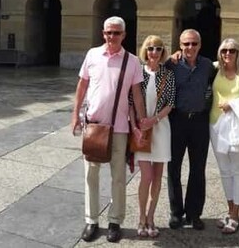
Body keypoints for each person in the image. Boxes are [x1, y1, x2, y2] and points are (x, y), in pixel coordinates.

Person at [72, 16, 147, 243]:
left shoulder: (132, 61)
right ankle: (91, 220)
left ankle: (115, 221)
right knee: (90, 175)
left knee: (118, 177)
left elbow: (136, 94)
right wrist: (75, 114)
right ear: (102, 33)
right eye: (107, 33)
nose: (111, 37)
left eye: (116, 33)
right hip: (93, 126)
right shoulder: (92, 55)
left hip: (120, 128)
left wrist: (141, 123)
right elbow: (82, 84)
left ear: (124, 35)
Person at [165, 29, 215, 230]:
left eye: (194, 44)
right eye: (186, 44)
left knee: (198, 169)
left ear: (200, 45)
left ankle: (194, 213)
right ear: (180, 45)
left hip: (200, 122)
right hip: (177, 120)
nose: (190, 48)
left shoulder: (208, 66)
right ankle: (176, 212)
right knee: (173, 168)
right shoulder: (172, 64)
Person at [209, 38, 239, 234]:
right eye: (224, 51)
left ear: (238, 53)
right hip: (215, 126)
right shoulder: (215, 70)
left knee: (237, 169)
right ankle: (230, 210)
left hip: (238, 128)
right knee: (223, 170)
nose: (227, 54)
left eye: (232, 50)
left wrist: (234, 105)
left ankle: (236, 214)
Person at [134, 35, 175, 238]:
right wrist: (139, 124)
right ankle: (141, 217)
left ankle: (151, 218)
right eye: (150, 48)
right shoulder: (138, 73)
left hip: (160, 129)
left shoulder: (168, 75)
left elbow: (171, 102)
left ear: (162, 52)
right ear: (145, 51)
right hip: (142, 130)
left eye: (158, 48)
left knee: (158, 177)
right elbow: (131, 100)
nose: (154, 52)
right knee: (146, 176)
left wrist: (155, 120)